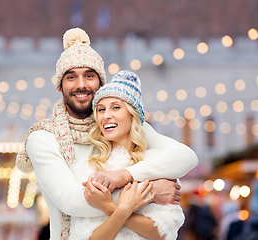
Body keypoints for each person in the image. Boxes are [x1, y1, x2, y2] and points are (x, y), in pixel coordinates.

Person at [16, 28, 198, 240]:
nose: (81, 84)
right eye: (71, 77)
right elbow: (71, 199)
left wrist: (124, 176)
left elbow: (186, 157)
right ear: (60, 86)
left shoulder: (116, 125)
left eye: (89, 76)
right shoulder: (44, 137)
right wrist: (150, 191)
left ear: (100, 83)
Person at [68, 70, 186, 240]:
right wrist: (125, 208)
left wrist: (109, 207)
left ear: (133, 114)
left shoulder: (157, 164)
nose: (106, 115)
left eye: (116, 107)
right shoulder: (88, 167)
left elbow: (162, 232)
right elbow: (87, 237)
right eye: (101, 110)